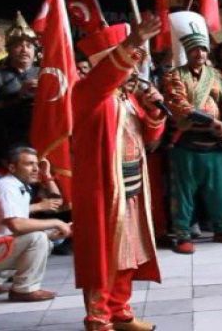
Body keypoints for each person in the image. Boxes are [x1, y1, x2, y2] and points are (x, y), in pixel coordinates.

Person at [72, 18, 166, 331]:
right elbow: (102, 79)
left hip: (132, 186)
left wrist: (154, 111)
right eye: (126, 57)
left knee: (130, 251)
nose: (134, 64)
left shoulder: (126, 98)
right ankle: (98, 319)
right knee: (103, 256)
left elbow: (150, 140)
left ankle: (120, 311)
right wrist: (132, 42)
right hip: (103, 189)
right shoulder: (87, 93)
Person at [162, 12, 222, 254]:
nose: (200, 54)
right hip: (187, 141)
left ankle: (221, 228)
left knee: (217, 190)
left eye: (204, 50)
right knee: (184, 192)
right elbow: (179, 105)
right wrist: (211, 122)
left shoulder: (216, 75)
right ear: (187, 52)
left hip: (215, 143)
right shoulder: (175, 75)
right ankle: (182, 233)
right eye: (195, 50)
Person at [0, 146, 69, 301]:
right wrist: (55, 222)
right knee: (37, 238)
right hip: (0, 245)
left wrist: (47, 174)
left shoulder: (18, 185)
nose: (36, 169)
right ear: (12, 167)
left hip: (2, 244)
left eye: (37, 164)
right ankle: (23, 289)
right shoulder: (7, 187)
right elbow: (17, 225)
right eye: (29, 164)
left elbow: (57, 202)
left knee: (47, 238)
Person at [0, 13, 40, 161]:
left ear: (35, 51)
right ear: (9, 50)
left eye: (28, 46)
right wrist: (17, 96)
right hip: (8, 140)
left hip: (40, 136)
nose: (24, 50)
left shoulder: (45, 74)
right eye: (19, 46)